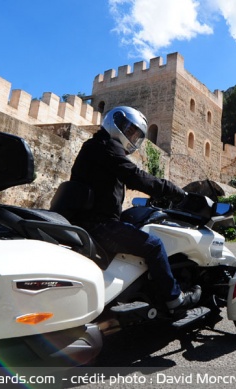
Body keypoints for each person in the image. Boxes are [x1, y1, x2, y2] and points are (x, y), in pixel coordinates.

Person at [68, 106, 201, 314]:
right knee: (154, 245)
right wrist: (175, 192)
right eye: (130, 131)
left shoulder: (94, 146)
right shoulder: (107, 146)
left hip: (84, 219)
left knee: (132, 229)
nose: (131, 137)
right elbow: (136, 176)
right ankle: (174, 298)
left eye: (135, 134)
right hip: (98, 224)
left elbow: (114, 181)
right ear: (115, 122)